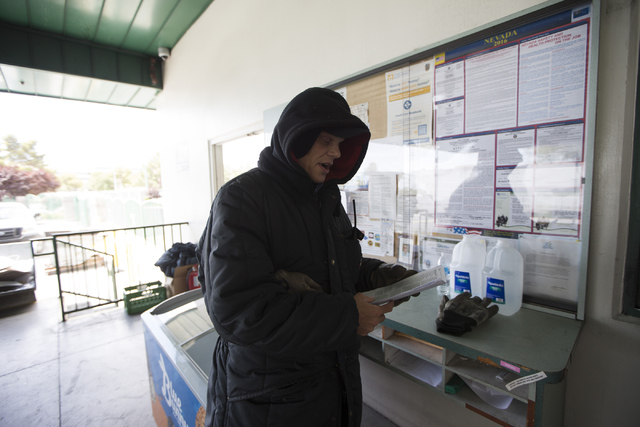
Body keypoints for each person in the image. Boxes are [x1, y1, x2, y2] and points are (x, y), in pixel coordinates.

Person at [196, 87, 417, 427]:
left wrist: (377, 276)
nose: (336, 152)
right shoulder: (242, 199)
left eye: (340, 144)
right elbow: (239, 312)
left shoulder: (327, 200)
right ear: (295, 139)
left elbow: (332, 272)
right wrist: (347, 317)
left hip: (331, 391)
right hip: (267, 405)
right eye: (326, 141)